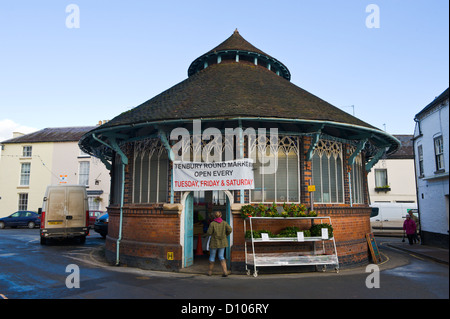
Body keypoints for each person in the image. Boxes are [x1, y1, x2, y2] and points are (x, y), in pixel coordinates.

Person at [206, 211, 232, 277]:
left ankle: (210, 272)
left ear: (214, 216)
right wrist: (226, 235)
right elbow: (230, 230)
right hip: (222, 242)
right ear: (221, 216)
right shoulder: (224, 223)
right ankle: (225, 272)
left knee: (212, 256)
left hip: (214, 242)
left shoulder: (212, 224)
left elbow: (209, 232)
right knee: (221, 256)